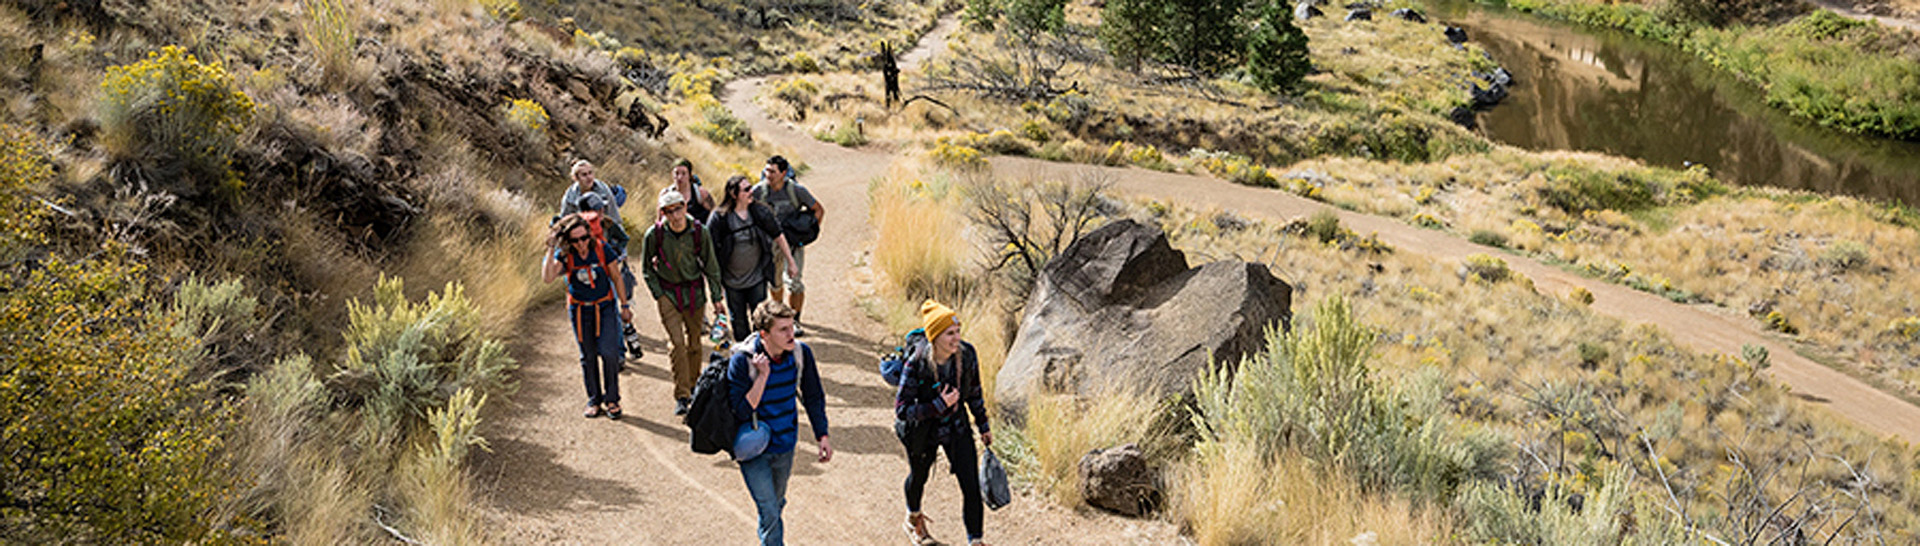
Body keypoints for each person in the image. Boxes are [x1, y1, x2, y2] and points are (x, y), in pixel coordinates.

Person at [727, 300, 832, 546]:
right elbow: (739, 411)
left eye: (792, 326)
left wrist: (822, 435)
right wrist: (762, 377)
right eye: (783, 330)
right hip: (754, 450)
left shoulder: (800, 353)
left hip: (785, 444)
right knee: (770, 510)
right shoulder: (742, 362)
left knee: (776, 503)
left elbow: (814, 396)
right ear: (764, 334)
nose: (791, 334)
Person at [894, 300, 992, 546]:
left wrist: (983, 426)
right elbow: (902, 409)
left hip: (956, 427)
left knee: (971, 485)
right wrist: (938, 405)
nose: (956, 338)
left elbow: (975, 393)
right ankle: (913, 517)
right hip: (923, 431)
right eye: (950, 333)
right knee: (918, 476)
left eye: (958, 331)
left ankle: (976, 541)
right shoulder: (917, 362)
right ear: (935, 336)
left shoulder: (967, 355)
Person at [642, 189, 726, 416]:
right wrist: (658, 293)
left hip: (694, 293)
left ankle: (694, 386)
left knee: (695, 344)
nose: (675, 215)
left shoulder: (699, 232)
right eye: (669, 211)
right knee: (677, 343)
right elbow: (647, 269)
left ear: (685, 207)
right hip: (668, 294)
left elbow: (711, 266)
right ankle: (682, 395)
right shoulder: (655, 234)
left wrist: (717, 298)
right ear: (663, 213)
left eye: (678, 208)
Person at [542, 213, 633, 420]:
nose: (581, 243)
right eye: (575, 240)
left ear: (589, 235)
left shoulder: (602, 249)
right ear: (568, 241)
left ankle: (612, 399)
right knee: (588, 355)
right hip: (581, 310)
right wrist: (551, 248)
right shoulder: (565, 255)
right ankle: (594, 399)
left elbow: (616, 276)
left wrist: (625, 305)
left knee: (609, 353)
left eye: (584, 238)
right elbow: (547, 278)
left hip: (605, 307)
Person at [708, 174, 799, 344]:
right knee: (739, 322)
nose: (752, 192)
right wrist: (715, 287)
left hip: (757, 278)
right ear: (734, 194)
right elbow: (709, 252)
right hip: (731, 282)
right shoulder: (719, 218)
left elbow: (778, 235)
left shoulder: (760, 212)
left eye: (751, 188)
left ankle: (761, 355)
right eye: (747, 189)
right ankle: (745, 358)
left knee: (761, 322)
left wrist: (791, 262)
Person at [751, 155, 824, 337]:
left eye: (773, 171)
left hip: (792, 243)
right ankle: (780, 316)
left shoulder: (797, 191)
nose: (768, 175)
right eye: (766, 171)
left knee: (794, 282)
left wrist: (807, 233)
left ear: (783, 173)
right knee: (775, 284)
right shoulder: (758, 192)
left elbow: (818, 209)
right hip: (770, 245)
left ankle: (795, 320)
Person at [561, 159, 623, 227]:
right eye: (584, 175)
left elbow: (614, 215)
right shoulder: (570, 195)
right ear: (576, 178)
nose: (589, 177)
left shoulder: (603, 189)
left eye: (590, 173)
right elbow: (564, 220)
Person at [666, 158, 717, 224]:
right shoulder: (666, 195)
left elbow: (715, 215)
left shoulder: (700, 193)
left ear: (689, 175)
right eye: (676, 173)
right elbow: (659, 222)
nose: (680, 177)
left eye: (684, 173)